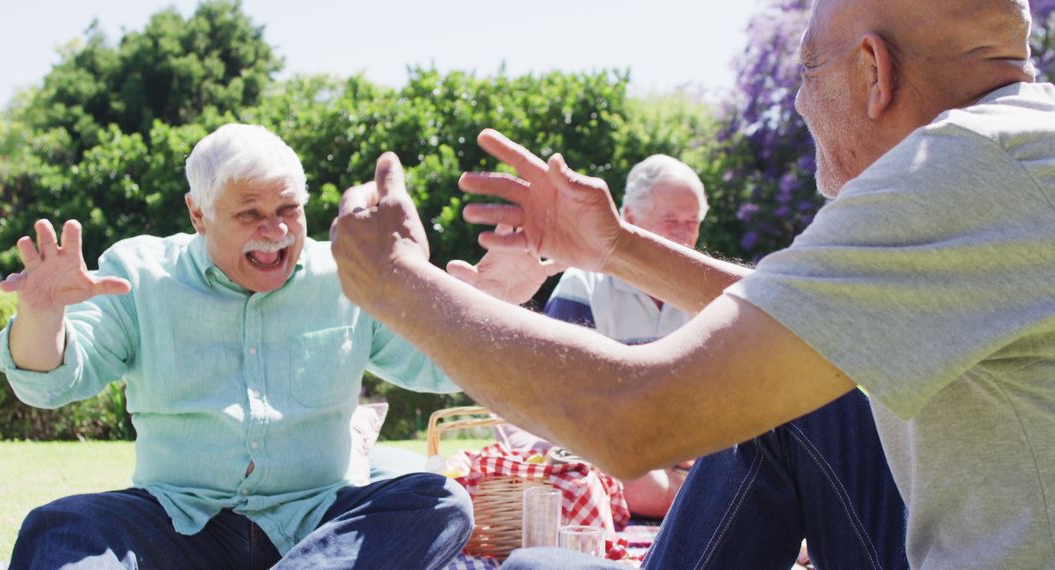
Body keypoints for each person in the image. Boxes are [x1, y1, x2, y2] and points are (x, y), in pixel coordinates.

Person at [330, 0, 1055, 568]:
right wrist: (616, 248)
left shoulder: (957, 168)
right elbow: (802, 316)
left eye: (805, 69)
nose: (799, 106)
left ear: (874, 69)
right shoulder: (1017, 150)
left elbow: (635, 418)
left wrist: (396, 281)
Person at [0, 124, 474, 569]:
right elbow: (49, 385)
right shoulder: (137, 273)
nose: (276, 231)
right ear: (197, 214)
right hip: (179, 521)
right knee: (59, 527)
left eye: (288, 210)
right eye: (250, 214)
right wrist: (42, 313)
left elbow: (441, 369)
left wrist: (486, 303)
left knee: (440, 502)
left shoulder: (351, 275)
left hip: (319, 528)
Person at [539, 154, 708, 519]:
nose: (683, 234)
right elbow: (563, 401)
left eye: (691, 222)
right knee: (652, 487)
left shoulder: (705, 296)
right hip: (605, 453)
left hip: (683, 458)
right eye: (671, 221)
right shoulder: (583, 283)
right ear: (629, 218)